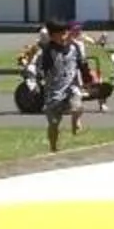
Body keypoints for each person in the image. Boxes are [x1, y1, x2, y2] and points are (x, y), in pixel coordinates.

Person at [34, 21, 91, 150]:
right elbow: (41, 70)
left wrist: (88, 80)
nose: (64, 37)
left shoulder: (74, 48)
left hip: (71, 86)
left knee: (77, 106)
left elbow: (83, 65)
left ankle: (75, 120)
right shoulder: (48, 52)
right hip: (54, 91)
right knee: (54, 123)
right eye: (61, 34)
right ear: (52, 36)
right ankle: (53, 146)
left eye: (66, 33)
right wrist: (39, 81)